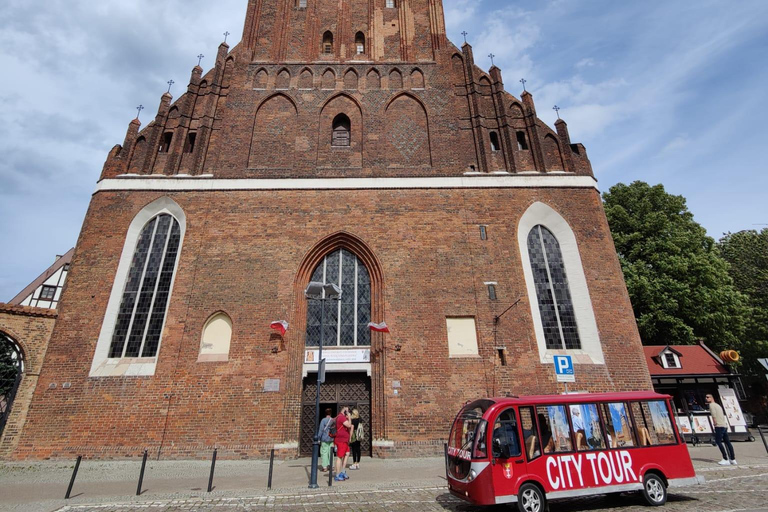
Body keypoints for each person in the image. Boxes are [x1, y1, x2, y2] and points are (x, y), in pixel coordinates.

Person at [706, 393, 736, 465]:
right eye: (706, 397)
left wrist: (715, 423)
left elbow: (714, 415)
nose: (706, 398)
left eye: (708, 397)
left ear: (711, 398)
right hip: (724, 425)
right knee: (727, 442)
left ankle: (725, 458)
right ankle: (732, 458)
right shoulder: (718, 405)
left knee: (718, 441)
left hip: (719, 425)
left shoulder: (711, 405)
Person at [334, 406, 352, 481]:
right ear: (343, 410)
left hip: (345, 440)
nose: (347, 412)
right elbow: (349, 425)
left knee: (347, 453)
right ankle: (337, 475)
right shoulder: (341, 417)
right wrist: (350, 417)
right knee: (339, 456)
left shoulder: (343, 417)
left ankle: (343, 471)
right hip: (341, 440)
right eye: (346, 411)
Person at [317, 408, 334, 472]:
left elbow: (321, 430)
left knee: (324, 452)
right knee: (330, 452)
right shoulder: (333, 420)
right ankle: (331, 466)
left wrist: (318, 438)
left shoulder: (323, 420)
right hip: (331, 438)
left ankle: (325, 467)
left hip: (324, 438)